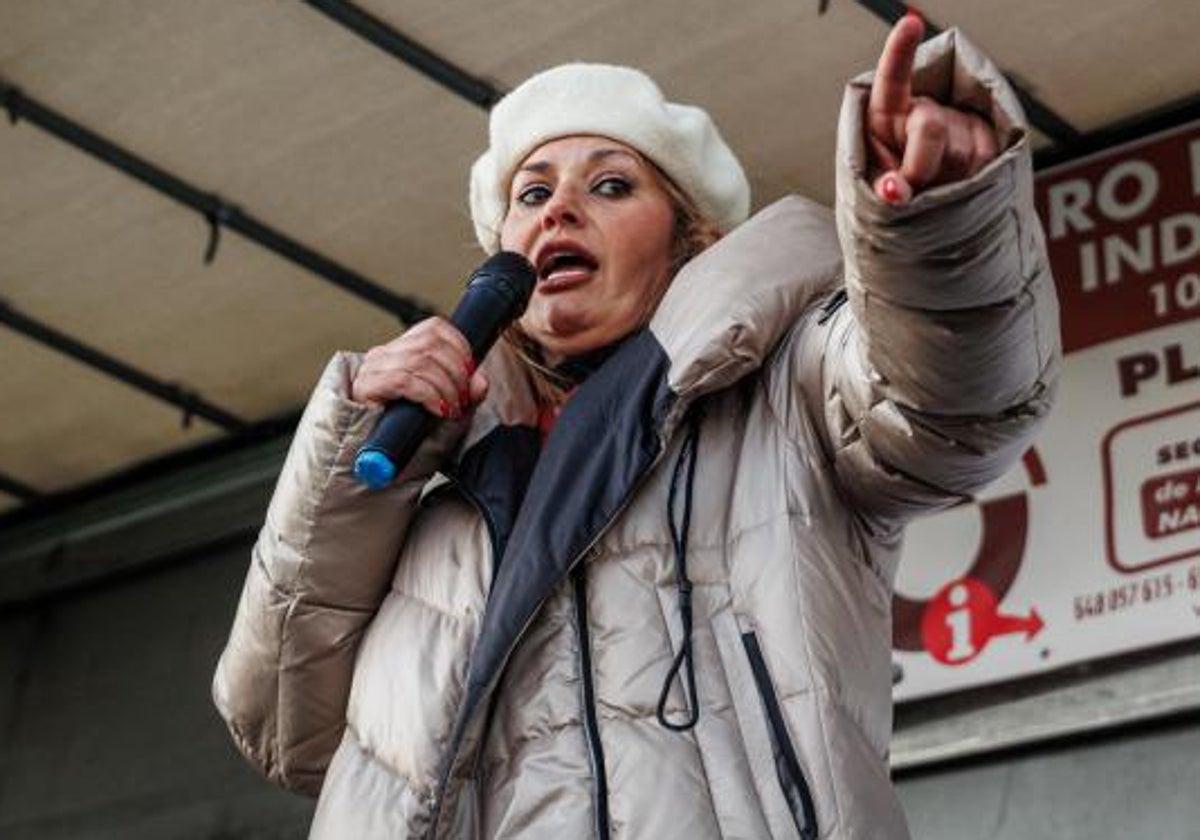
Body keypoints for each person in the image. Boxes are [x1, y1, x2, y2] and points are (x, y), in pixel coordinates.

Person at [214, 15, 1059, 840]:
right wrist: (352, 450)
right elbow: (283, 728)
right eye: (532, 192)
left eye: (611, 185)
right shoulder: (435, 481)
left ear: (688, 241)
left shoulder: (784, 394)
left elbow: (953, 406)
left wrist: (944, 225)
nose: (559, 212)